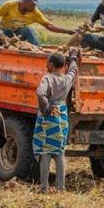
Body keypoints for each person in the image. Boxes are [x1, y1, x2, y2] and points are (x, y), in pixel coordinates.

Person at [34, 49, 79, 193]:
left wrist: (47, 108)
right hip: (61, 118)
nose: (46, 66)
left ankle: (44, 188)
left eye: (47, 64)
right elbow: (73, 70)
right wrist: (73, 57)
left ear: (52, 65)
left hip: (48, 118)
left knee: (46, 153)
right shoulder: (66, 79)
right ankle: (60, 188)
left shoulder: (47, 79)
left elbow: (41, 93)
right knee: (60, 153)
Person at [0, 0, 75, 46]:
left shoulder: (35, 12)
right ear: (25, 1)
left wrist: (68, 31)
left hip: (19, 34)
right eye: (33, 4)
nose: (35, 6)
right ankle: (2, 48)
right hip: (5, 32)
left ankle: (37, 49)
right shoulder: (9, 5)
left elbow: (50, 26)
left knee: (28, 30)